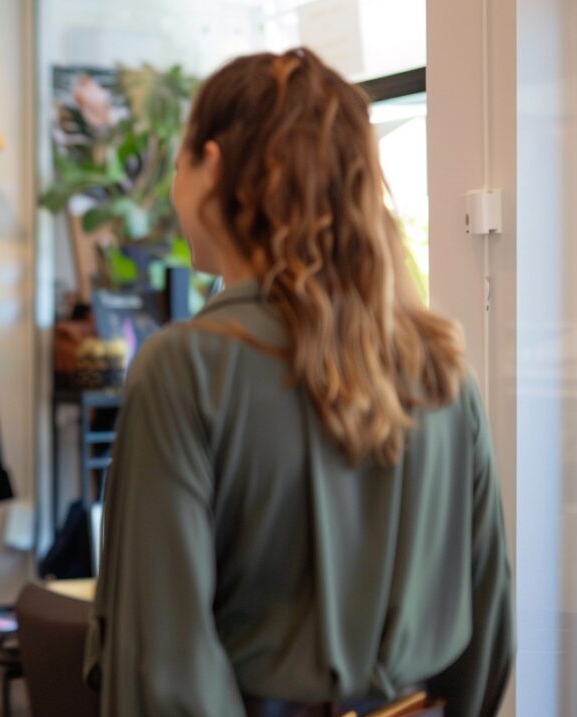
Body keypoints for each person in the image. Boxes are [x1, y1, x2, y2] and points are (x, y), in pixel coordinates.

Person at [84, 48, 513, 717]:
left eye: (179, 160)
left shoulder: (185, 371)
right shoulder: (442, 368)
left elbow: (163, 668)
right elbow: (489, 620)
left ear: (214, 168)